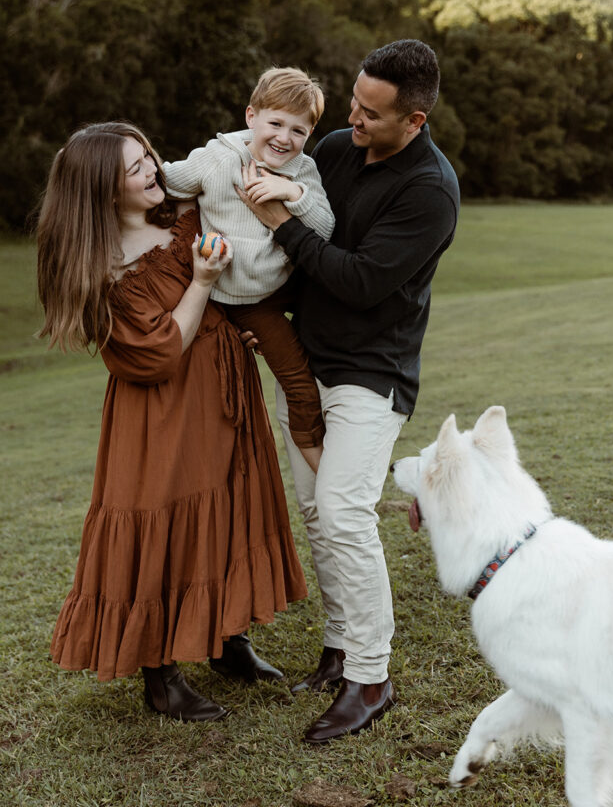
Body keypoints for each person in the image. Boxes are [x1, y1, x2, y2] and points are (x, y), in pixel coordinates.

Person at [36, 121, 307, 722]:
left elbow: (237, 148)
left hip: (223, 391)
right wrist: (204, 284)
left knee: (231, 507)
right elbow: (158, 351)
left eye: (148, 158)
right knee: (166, 522)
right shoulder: (101, 267)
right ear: (104, 191)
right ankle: (160, 676)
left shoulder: (177, 209)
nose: (152, 171)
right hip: (162, 414)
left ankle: (227, 639)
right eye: (134, 169)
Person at [238, 39, 461, 743]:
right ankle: (338, 650)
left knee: (342, 511)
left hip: (372, 373)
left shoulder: (429, 190)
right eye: (354, 103)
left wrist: (280, 222)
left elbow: (361, 280)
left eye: (370, 113)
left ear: (414, 120)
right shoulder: (334, 149)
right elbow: (302, 263)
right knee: (315, 512)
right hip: (305, 362)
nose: (353, 119)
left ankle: (370, 677)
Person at [163, 67, 334, 474]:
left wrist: (292, 193)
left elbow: (325, 228)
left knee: (298, 380)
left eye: (298, 131)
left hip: (273, 291)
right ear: (250, 116)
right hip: (230, 298)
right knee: (235, 383)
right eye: (275, 123)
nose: (284, 138)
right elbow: (166, 180)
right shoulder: (218, 158)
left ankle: (325, 471)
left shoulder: (302, 171)